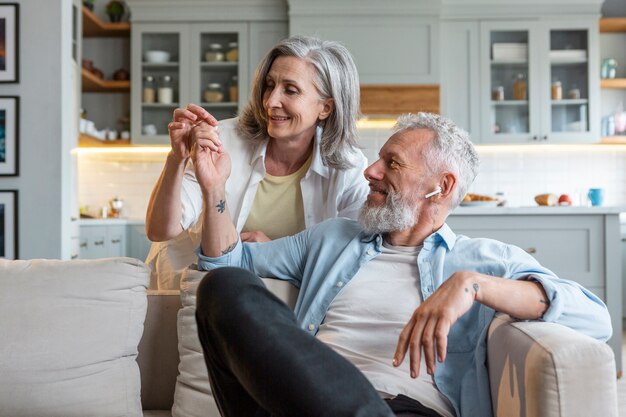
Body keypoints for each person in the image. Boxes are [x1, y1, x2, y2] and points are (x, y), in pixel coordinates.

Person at [192, 112, 612, 417]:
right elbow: (223, 261)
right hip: (299, 399)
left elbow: (594, 316)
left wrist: (470, 285)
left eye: (391, 162)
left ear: (440, 186)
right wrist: (214, 186)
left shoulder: (482, 259)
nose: (371, 171)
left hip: (404, 410)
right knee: (222, 288)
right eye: (378, 159)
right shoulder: (332, 238)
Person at [144, 35, 369, 289]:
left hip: (267, 301)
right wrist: (177, 158)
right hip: (184, 290)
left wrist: (272, 253)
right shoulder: (223, 140)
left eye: (290, 90)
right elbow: (161, 230)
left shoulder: (348, 167)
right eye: (269, 85)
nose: (271, 101)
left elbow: (353, 258)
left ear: (325, 108)